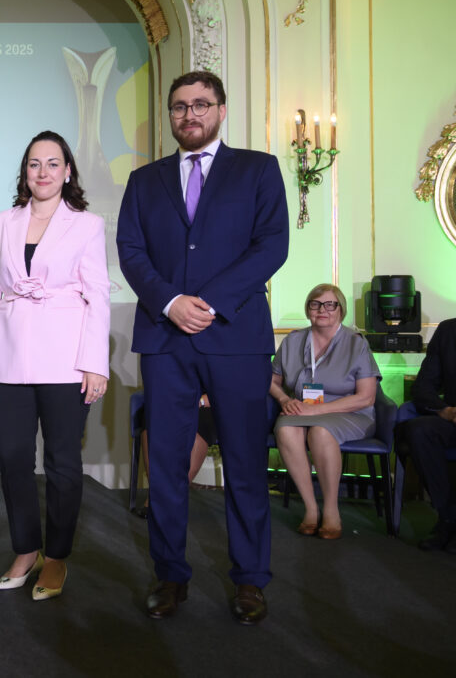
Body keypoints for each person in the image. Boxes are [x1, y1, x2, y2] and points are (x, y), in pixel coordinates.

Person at [116, 70, 288, 625]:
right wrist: (170, 302)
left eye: (200, 104)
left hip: (236, 337)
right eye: (179, 106)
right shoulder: (144, 181)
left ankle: (250, 580)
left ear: (221, 110)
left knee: (244, 463)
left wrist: (209, 302)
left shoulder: (259, 169)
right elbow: (130, 250)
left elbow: (272, 246)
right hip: (165, 338)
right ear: (170, 115)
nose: (189, 114)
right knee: (166, 464)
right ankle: (170, 575)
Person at [0, 130, 110, 600]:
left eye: (53, 163)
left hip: (67, 360)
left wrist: (95, 363)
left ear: (67, 171)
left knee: (62, 463)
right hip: (7, 357)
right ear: (24, 172)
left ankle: (56, 557)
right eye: (34, 164)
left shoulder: (87, 225)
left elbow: (98, 296)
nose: (43, 172)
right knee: (12, 456)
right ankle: (26, 549)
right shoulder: (1, 223)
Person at [269, 284, 380, 539]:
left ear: (341, 309)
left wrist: (317, 411)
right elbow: (271, 381)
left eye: (330, 304)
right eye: (316, 304)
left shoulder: (356, 343)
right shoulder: (293, 341)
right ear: (308, 309)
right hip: (301, 410)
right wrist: (285, 399)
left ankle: (331, 509)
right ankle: (310, 508)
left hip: (349, 413)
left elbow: (366, 397)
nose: (323, 310)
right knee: (285, 430)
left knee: (320, 431)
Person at [399, 317, 456, 551]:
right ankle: (448, 518)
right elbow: (422, 386)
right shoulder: (448, 330)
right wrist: (445, 410)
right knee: (419, 430)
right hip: (453, 418)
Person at [134, 395, 216, 519]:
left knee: (202, 420)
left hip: (210, 403)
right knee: (151, 414)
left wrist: (201, 401)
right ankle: (156, 493)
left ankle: (172, 495)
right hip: (177, 395)